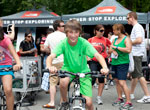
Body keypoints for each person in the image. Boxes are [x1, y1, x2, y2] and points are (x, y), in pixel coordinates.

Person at [46, 19, 109, 110]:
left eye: (76, 32)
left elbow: (98, 55)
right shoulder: (63, 43)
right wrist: (49, 66)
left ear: (79, 32)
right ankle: (64, 101)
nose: (73, 35)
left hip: (83, 71)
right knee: (63, 82)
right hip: (68, 69)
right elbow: (51, 56)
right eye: (70, 32)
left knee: (88, 103)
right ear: (66, 33)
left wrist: (105, 67)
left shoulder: (83, 43)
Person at [127, 11, 150, 103]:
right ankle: (131, 94)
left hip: (136, 54)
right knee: (135, 75)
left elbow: (139, 40)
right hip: (136, 53)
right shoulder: (137, 27)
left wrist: (128, 42)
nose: (127, 20)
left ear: (132, 18)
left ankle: (147, 95)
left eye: (128, 18)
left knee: (139, 74)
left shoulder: (136, 27)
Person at [108, 24, 133, 110]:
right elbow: (110, 50)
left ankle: (129, 102)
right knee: (117, 82)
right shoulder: (114, 39)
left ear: (119, 30)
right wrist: (113, 50)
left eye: (114, 30)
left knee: (122, 82)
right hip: (114, 62)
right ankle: (120, 98)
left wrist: (117, 47)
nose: (113, 32)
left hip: (123, 63)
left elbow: (129, 50)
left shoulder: (126, 39)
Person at [42, 20, 66, 109]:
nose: (64, 27)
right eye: (63, 26)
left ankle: (52, 102)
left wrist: (51, 51)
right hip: (64, 61)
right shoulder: (65, 36)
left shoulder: (49, 36)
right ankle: (62, 101)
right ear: (58, 27)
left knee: (53, 82)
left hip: (53, 61)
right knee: (63, 82)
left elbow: (45, 48)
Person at [88, 24, 111, 105]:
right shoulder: (90, 40)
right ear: (96, 31)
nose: (103, 32)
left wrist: (109, 53)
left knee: (101, 78)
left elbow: (111, 46)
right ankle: (87, 96)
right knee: (92, 78)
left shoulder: (105, 39)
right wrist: (87, 56)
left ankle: (99, 97)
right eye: (101, 31)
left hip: (103, 61)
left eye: (103, 31)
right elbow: (85, 49)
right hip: (93, 61)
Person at [0, 27, 21, 110]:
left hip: (5, 65)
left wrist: (18, 63)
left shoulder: (5, 39)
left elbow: (14, 53)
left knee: (8, 90)